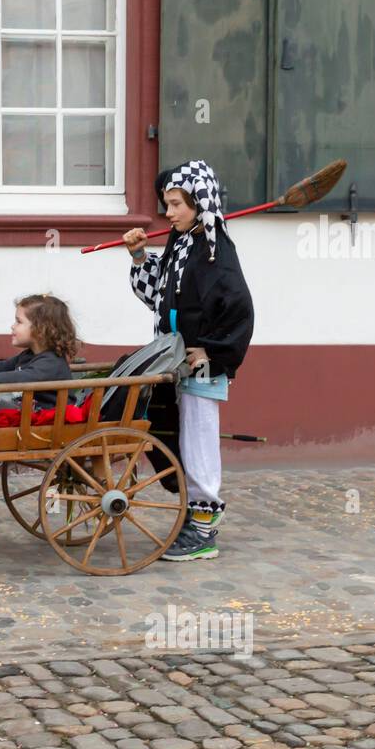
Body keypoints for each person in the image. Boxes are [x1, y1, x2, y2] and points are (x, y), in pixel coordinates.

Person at [122, 160, 255, 562]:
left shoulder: (217, 252)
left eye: (177, 204)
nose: (170, 213)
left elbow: (241, 310)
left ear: (200, 203)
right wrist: (139, 257)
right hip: (172, 359)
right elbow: (157, 299)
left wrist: (211, 350)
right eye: (167, 204)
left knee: (199, 441)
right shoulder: (181, 244)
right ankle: (189, 511)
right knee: (177, 437)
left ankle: (203, 529)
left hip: (201, 365)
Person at [0, 294, 77, 411]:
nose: (12, 326)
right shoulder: (28, 355)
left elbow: (25, 376)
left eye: (18, 322)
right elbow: (3, 366)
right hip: (30, 416)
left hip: (53, 421)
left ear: (41, 329)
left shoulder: (52, 362)